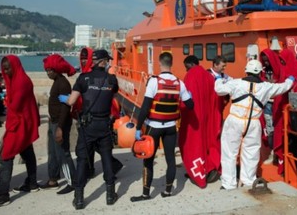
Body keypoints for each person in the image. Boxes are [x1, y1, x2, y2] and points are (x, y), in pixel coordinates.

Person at [215, 59, 294, 190]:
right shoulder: (267, 86)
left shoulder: (236, 83)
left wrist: (218, 78)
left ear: (246, 71)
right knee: (251, 153)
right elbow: (283, 87)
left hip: (235, 120)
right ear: (260, 72)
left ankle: (229, 184)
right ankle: (248, 181)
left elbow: (219, 90)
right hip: (253, 123)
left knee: (229, 152)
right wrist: (290, 80)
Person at [59, 49, 119, 210]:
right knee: (106, 157)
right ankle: (110, 195)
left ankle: (79, 199)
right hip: (104, 124)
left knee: (82, 160)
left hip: (88, 126)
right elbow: (112, 95)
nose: (109, 63)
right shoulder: (112, 80)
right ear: (104, 61)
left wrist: (64, 99)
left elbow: (71, 101)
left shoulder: (83, 78)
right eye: (108, 60)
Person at [131, 52, 194, 201]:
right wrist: (189, 94)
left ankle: (146, 194)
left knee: (148, 160)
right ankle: (167, 191)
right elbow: (190, 105)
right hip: (171, 127)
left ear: (160, 63)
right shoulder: (180, 83)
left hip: (154, 126)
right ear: (171, 64)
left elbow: (145, 108)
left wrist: (138, 128)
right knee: (171, 159)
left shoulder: (154, 81)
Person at [0, 55, 40, 209]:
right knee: (27, 151)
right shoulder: (19, 79)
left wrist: (9, 127)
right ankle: (32, 183)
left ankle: (2, 195)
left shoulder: (21, 82)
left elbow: (16, 107)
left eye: (8, 68)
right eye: (4, 68)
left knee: (6, 156)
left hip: (20, 124)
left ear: (15, 66)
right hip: (23, 122)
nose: (6, 71)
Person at [180, 55, 220, 188]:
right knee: (208, 143)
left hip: (194, 118)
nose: (186, 70)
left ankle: (197, 171)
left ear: (191, 64)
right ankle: (208, 167)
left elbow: (187, 99)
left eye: (186, 67)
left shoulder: (190, 76)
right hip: (208, 117)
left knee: (193, 144)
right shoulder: (209, 77)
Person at [40, 54, 77, 195]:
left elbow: (66, 107)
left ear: (57, 69)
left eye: (50, 70)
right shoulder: (57, 81)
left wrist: (60, 127)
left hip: (60, 124)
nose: (48, 73)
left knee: (63, 153)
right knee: (53, 153)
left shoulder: (63, 83)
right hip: (53, 121)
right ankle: (53, 179)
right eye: (46, 70)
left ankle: (72, 182)